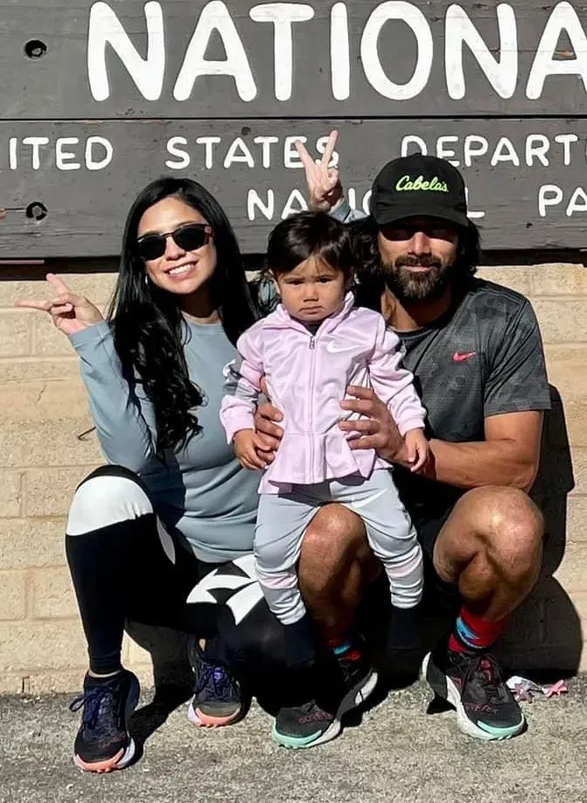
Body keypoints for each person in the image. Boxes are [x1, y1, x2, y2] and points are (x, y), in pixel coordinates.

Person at [15, 178, 380, 772]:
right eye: (152, 246)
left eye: (186, 235)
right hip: (174, 562)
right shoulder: (134, 340)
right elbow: (131, 456)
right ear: (141, 262)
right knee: (104, 491)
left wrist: (330, 211)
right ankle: (107, 683)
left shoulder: (271, 314)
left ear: (215, 234)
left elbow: (341, 286)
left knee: (277, 658)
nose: (173, 252)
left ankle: (220, 650)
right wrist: (92, 342)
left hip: (261, 557)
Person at [251, 137, 551, 742]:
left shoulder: (499, 316)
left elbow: (517, 464)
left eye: (437, 230)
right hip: (349, 512)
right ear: (372, 239)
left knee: (513, 523)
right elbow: (272, 294)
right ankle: (344, 659)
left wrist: (404, 446)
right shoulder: (333, 302)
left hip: (448, 524)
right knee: (321, 529)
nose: (418, 247)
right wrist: (253, 414)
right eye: (400, 230)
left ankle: (465, 655)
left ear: (462, 240)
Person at [220, 210, 429, 748]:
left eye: (323, 279)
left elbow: (397, 386)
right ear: (274, 280)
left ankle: (408, 616)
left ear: (348, 278)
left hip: (357, 462)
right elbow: (237, 396)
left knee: (397, 537)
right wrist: (242, 433)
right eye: (295, 282)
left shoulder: (367, 328)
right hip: (289, 474)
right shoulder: (260, 339)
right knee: (269, 553)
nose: (310, 293)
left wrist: (412, 430)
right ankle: (296, 638)